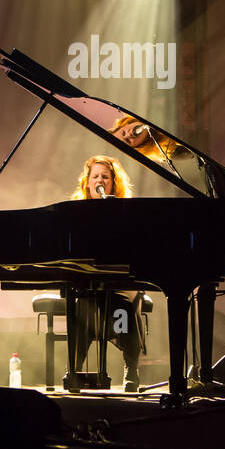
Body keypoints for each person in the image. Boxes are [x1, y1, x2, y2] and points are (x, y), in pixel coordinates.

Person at [70, 155, 145, 391]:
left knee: (123, 305)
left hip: (122, 279)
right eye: (95, 176)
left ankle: (131, 366)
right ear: (87, 182)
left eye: (105, 176)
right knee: (81, 305)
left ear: (113, 183)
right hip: (89, 278)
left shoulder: (126, 210)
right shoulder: (74, 210)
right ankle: (74, 368)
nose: (100, 180)